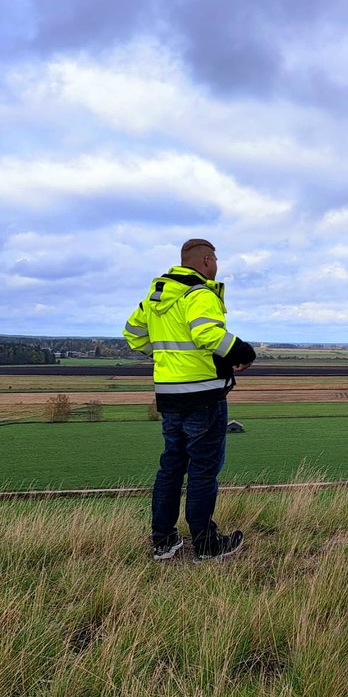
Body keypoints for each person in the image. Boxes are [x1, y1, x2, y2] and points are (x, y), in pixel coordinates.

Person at [123, 238, 255, 561]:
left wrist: (165, 357)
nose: (217, 267)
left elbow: (132, 334)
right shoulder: (200, 294)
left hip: (169, 397)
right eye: (216, 261)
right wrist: (243, 352)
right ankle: (206, 544)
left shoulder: (157, 296)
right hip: (203, 397)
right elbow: (207, 334)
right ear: (207, 261)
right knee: (203, 470)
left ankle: (163, 540)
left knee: (171, 466)